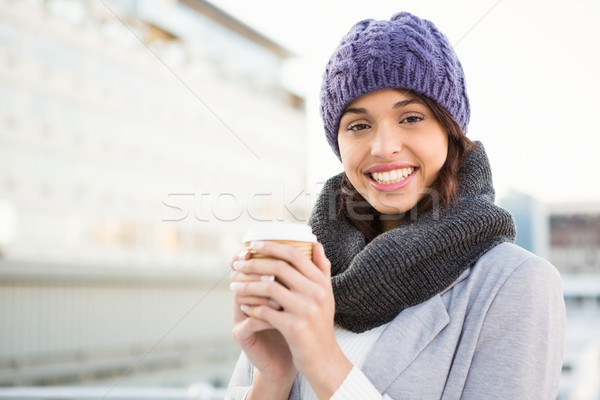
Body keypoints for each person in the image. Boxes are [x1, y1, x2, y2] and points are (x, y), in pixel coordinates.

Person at [226, 11, 565, 400]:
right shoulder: (302, 271)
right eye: (358, 125)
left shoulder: (517, 282)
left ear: (450, 132)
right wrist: (272, 378)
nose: (383, 146)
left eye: (411, 117)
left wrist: (322, 361)